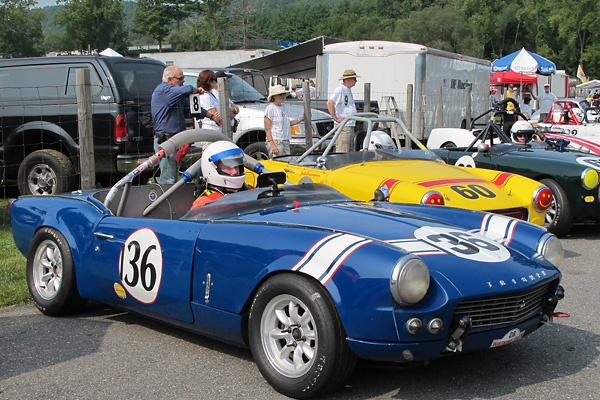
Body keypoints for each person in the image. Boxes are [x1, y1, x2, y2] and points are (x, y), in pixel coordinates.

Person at [151, 65, 221, 184]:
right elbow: (187, 89)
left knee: (172, 175)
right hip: (166, 141)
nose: (183, 80)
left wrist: (212, 116)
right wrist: (196, 90)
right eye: (180, 78)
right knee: (168, 179)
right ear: (170, 80)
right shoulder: (164, 91)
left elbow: (191, 110)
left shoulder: (175, 95)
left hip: (175, 140)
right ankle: (167, 200)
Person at [191, 141, 246, 208]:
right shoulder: (204, 203)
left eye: (236, 166)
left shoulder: (249, 192)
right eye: (228, 167)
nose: (235, 172)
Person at [264, 84, 304, 157]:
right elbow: (267, 128)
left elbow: (287, 123)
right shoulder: (270, 108)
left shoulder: (284, 107)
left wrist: (301, 119)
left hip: (285, 140)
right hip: (276, 141)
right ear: (274, 96)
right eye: (280, 94)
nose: (282, 96)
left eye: (283, 94)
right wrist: (272, 144)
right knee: (277, 163)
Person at [327, 69, 359, 152]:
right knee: (343, 149)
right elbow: (330, 102)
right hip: (344, 125)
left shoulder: (347, 90)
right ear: (348, 80)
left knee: (349, 149)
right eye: (354, 79)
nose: (356, 81)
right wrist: (336, 118)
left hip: (349, 124)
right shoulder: (340, 90)